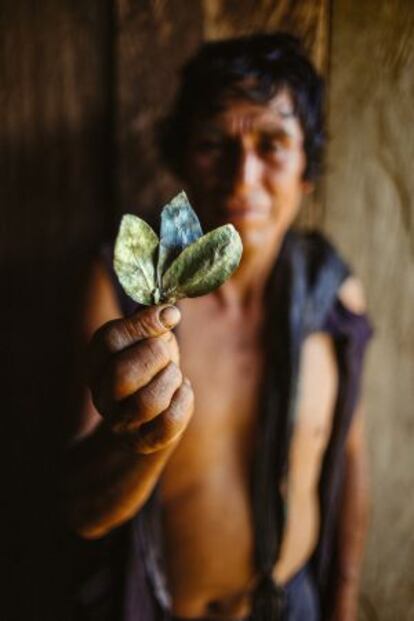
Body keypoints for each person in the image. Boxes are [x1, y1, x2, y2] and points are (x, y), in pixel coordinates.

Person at [65, 34, 373, 621]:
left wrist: (344, 598)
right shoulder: (122, 289)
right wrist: (138, 441)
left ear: (308, 167)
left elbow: (349, 461)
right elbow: (82, 510)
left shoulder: (331, 291)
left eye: (273, 144)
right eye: (213, 144)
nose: (242, 175)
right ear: (181, 159)